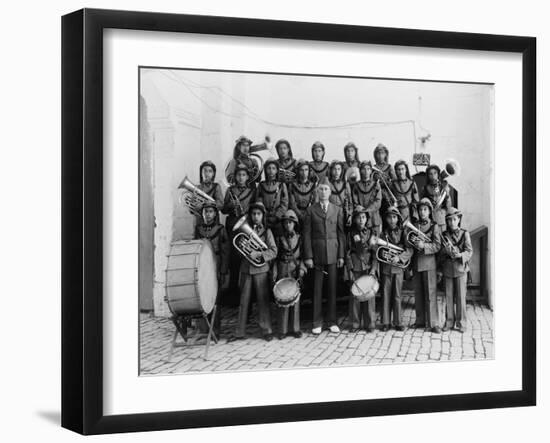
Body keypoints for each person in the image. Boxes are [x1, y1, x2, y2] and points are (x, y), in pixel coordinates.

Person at [303, 177, 346, 334]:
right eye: (320, 189)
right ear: (317, 191)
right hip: (317, 254)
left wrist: (341, 255)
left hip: (333, 254)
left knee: (332, 289)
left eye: (326, 189)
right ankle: (316, 322)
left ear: (330, 191)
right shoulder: (310, 210)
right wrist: (308, 256)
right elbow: (306, 234)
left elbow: (341, 234)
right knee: (317, 289)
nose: (323, 192)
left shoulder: (337, 209)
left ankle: (332, 321)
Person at [233, 202, 277, 341]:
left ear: (262, 215)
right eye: (253, 214)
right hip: (246, 269)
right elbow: (238, 250)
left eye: (258, 214)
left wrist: (258, 254)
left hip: (261, 269)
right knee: (243, 301)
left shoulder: (267, 232)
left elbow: (274, 251)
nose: (256, 217)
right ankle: (239, 332)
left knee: (263, 300)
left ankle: (267, 330)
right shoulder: (244, 231)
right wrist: (245, 250)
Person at [193, 201, 230, 336]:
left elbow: (226, 251)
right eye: (205, 212)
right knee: (202, 295)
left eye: (210, 212)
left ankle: (215, 329)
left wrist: (223, 270)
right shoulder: (198, 229)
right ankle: (203, 329)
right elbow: (195, 248)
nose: (207, 215)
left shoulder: (221, 229)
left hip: (217, 263)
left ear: (215, 214)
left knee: (215, 297)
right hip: (203, 265)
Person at [407, 198, 442, 333]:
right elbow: (409, 241)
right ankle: (420, 320)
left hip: (429, 263)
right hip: (417, 263)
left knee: (430, 293)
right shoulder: (415, 225)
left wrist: (425, 246)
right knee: (419, 293)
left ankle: (433, 323)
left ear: (429, 211)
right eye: (420, 209)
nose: (422, 212)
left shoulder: (434, 226)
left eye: (425, 210)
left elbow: (438, 246)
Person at [221, 164, 256, 295]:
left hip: (246, 224)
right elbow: (223, 210)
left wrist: (247, 215)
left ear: (247, 177)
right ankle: (233, 289)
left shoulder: (252, 191)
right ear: (235, 176)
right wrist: (231, 205)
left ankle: (247, 291)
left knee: (246, 255)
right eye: (238, 175)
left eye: (243, 175)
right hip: (232, 224)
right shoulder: (230, 190)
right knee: (233, 257)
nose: (241, 178)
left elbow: (255, 208)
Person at [272, 210, 306, 339]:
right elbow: (275, 257)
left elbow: (304, 255)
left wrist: (302, 269)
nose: (288, 225)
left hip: (294, 269)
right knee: (282, 298)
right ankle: (282, 330)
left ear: (295, 224)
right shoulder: (279, 239)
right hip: (282, 268)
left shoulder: (300, 238)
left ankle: (295, 328)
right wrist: (274, 272)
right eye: (286, 222)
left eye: (290, 222)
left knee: (295, 299)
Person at [379, 206, 413, 331]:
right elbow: (379, 251)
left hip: (398, 268)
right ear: (386, 219)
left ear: (398, 218)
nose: (392, 220)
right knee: (386, 295)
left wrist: (399, 257)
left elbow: (409, 249)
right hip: (386, 268)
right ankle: (386, 322)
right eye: (389, 217)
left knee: (397, 295)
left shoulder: (403, 232)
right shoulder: (383, 233)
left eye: (394, 217)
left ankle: (398, 322)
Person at [345, 206, 378, 332]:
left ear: (367, 218)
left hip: (368, 266)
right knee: (355, 294)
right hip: (356, 266)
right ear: (354, 219)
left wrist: (374, 269)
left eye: (363, 217)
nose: (361, 220)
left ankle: (370, 323)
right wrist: (350, 270)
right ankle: (355, 323)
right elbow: (347, 253)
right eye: (358, 217)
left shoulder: (371, 233)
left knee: (369, 295)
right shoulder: (350, 234)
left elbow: (375, 253)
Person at [439, 207, 473, 333]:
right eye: (449, 220)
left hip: (460, 269)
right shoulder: (444, 235)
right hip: (448, 269)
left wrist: (460, 255)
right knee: (448, 297)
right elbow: (440, 254)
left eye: (454, 219)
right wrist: (445, 251)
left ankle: (461, 323)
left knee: (460, 297)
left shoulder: (465, 233)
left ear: (459, 220)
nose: (452, 222)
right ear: (447, 222)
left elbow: (469, 251)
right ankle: (449, 322)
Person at [255, 158, 288, 237]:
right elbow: (259, 202)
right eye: (269, 168)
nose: (271, 171)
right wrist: (264, 216)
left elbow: (284, 203)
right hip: (264, 220)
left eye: (273, 168)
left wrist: (277, 216)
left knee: (278, 242)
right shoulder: (261, 185)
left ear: (277, 170)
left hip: (277, 220)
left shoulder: (281, 185)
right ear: (265, 170)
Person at [352, 160, 382, 234]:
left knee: (375, 243)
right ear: (360, 171)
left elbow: (378, 202)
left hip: (374, 219)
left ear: (371, 171)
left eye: (368, 169)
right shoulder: (356, 186)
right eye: (363, 169)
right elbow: (354, 201)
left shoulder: (376, 185)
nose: (366, 171)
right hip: (361, 220)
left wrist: (366, 210)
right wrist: (359, 207)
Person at [421, 164, 452, 230]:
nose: (433, 176)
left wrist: (448, 194)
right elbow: (422, 205)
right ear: (428, 176)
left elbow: (448, 206)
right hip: (429, 219)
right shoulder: (425, 189)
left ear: (438, 174)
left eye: (435, 173)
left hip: (441, 219)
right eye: (430, 174)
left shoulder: (443, 187)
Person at [288, 159, 317, 225]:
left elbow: (315, 202)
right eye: (301, 170)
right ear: (297, 171)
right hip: (296, 214)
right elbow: (292, 203)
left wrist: (308, 214)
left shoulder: (313, 185)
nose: (304, 173)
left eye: (306, 170)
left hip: (309, 214)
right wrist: (300, 215)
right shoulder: (292, 185)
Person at [372, 143, 397, 213]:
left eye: (382, 153)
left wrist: (388, 181)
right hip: (377, 195)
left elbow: (395, 181)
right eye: (378, 154)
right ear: (375, 155)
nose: (380, 156)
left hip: (388, 195)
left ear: (386, 154)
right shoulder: (373, 168)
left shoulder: (389, 167)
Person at [328, 160, 353, 228]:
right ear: (331, 170)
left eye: (339, 169)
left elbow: (350, 202)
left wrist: (350, 215)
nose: (336, 172)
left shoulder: (345, 184)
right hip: (330, 213)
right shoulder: (328, 184)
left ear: (342, 170)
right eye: (334, 169)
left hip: (342, 213)